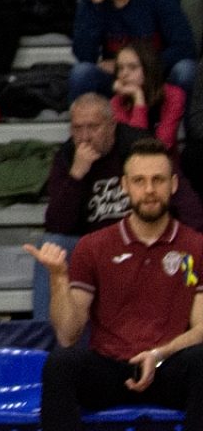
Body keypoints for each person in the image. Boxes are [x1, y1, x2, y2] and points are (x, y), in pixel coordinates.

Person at [29, 138, 203, 431]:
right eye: (139, 181)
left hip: (168, 366)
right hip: (110, 369)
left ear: (173, 185)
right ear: (124, 185)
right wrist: (59, 278)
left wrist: (159, 354)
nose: (149, 190)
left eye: (158, 180)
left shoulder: (195, 246)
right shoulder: (94, 246)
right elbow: (68, 334)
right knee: (61, 363)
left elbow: (201, 328)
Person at [34, 94, 203, 315]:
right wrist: (76, 176)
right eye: (77, 129)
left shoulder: (138, 148)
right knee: (51, 244)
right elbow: (56, 224)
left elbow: (184, 201)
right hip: (92, 246)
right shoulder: (67, 157)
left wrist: (194, 240)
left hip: (143, 237)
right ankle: (47, 343)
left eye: (93, 127)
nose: (85, 137)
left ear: (112, 125)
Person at [111, 41, 186, 149]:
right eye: (120, 68)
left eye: (132, 67)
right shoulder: (117, 101)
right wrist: (138, 98)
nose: (124, 74)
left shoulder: (173, 95)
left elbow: (161, 145)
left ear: (149, 68)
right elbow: (133, 146)